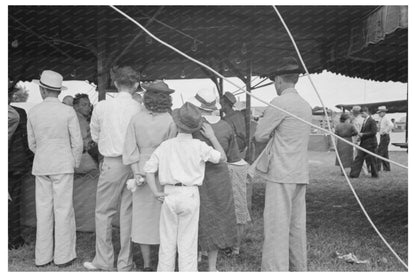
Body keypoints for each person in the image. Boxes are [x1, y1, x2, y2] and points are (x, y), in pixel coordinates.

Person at [143, 102, 226, 271]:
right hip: (190, 194)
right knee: (188, 241)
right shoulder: (200, 146)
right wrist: (212, 137)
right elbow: (222, 158)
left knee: (167, 241)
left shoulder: (165, 146)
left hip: (168, 193)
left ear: (177, 124)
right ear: (196, 127)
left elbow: (149, 170)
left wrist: (155, 192)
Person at [254, 57, 312, 271]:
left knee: (276, 226)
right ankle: (299, 268)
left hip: (281, 173)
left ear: (279, 80)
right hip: (299, 172)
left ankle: (275, 270)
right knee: (297, 226)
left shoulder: (279, 103)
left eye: (275, 81)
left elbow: (260, 135)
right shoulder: (305, 105)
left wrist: (265, 123)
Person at [84, 66, 141, 271]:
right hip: (134, 164)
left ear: (115, 83)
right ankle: (125, 262)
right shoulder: (139, 108)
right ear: (135, 85)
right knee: (128, 213)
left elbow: (96, 136)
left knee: (104, 212)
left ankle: (104, 260)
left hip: (111, 162)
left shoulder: (101, 107)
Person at [27, 70, 83, 267]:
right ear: (58, 91)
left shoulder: (33, 111)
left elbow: (31, 143)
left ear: (42, 90)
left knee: (43, 211)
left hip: (42, 164)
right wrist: (74, 162)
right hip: (63, 163)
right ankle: (63, 256)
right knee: (63, 209)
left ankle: (42, 257)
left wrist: (43, 153)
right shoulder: (68, 111)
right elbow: (77, 142)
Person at [122, 80, 177, 271]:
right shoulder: (169, 120)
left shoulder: (136, 119)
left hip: (142, 170)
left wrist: (136, 172)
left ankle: (146, 264)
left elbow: (130, 148)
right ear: (166, 99)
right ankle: (164, 260)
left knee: (142, 218)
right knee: (163, 217)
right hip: (161, 171)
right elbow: (171, 150)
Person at [187, 89, 239, 271]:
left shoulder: (193, 126)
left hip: (197, 176)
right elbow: (233, 156)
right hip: (220, 178)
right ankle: (212, 267)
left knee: (195, 218)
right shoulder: (226, 126)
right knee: (216, 219)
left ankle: (194, 259)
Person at [8, 82, 33, 250]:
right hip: (13, 164)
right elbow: (27, 141)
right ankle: (13, 238)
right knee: (13, 203)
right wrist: (30, 158)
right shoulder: (18, 114)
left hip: (13, 163)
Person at [349, 106, 379, 178]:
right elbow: (363, 131)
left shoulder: (372, 121)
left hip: (371, 144)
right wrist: (360, 137)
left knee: (373, 160)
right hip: (364, 143)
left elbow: (374, 132)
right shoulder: (365, 120)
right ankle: (353, 175)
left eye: (362, 113)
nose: (361, 115)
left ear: (366, 112)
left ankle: (375, 175)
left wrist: (363, 134)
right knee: (358, 158)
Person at [220, 91, 246, 157]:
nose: (220, 106)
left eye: (221, 104)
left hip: (235, 147)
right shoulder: (239, 114)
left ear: (226, 104)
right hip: (243, 145)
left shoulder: (226, 119)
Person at [350, 106, 370, 176]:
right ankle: (365, 170)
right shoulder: (364, 119)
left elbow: (357, 132)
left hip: (358, 140)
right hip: (365, 139)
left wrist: (356, 140)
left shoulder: (355, 121)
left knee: (358, 156)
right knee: (364, 155)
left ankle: (364, 171)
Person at [376, 106, 394, 172]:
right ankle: (387, 168)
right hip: (382, 137)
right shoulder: (382, 119)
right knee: (385, 153)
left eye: (380, 112)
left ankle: (377, 168)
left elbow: (391, 125)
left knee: (380, 152)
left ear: (383, 112)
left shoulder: (386, 118)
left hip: (385, 136)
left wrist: (386, 131)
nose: (379, 114)